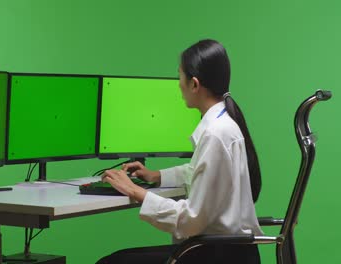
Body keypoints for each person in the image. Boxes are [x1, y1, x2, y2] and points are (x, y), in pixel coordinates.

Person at [96, 39, 263, 264]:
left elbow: (191, 220)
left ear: (194, 84)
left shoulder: (216, 134)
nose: (178, 84)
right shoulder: (224, 124)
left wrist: (135, 191)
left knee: (110, 263)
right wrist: (156, 176)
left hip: (213, 255)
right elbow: (205, 174)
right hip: (231, 252)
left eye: (180, 77)